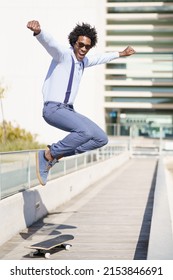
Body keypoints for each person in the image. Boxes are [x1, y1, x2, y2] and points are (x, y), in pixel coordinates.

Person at [27, 20, 136, 186]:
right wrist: (39, 32)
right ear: (74, 43)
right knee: (84, 132)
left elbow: (100, 58)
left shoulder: (83, 62)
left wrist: (120, 54)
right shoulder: (63, 54)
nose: (84, 49)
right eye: (81, 45)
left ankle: (56, 154)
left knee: (100, 138)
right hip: (53, 109)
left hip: (68, 110)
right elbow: (51, 44)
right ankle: (48, 155)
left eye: (87, 46)